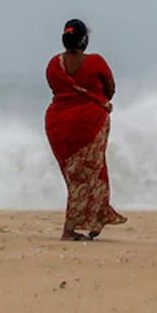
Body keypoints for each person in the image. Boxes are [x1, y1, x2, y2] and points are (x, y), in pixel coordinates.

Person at [44, 19, 127, 241]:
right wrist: (94, 99)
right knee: (94, 172)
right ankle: (75, 228)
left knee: (74, 178)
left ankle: (89, 222)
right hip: (90, 123)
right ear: (85, 40)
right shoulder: (96, 62)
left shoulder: (54, 64)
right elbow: (110, 89)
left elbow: (55, 88)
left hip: (58, 125)